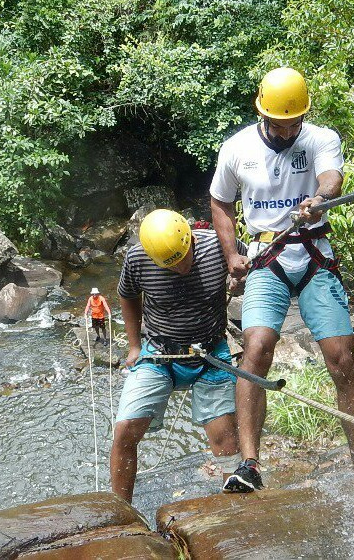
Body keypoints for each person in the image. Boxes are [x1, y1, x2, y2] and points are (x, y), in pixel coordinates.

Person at [210, 66, 354, 493]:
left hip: (314, 254)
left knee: (342, 358)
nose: (289, 130)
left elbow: (331, 176)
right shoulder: (237, 148)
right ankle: (249, 464)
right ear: (263, 114)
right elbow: (221, 202)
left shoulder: (320, 138)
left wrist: (319, 199)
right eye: (281, 124)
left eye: (295, 121)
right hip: (267, 256)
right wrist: (231, 255)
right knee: (257, 351)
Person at [110, 209, 242, 502]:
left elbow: (247, 266)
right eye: (171, 265)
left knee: (225, 437)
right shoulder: (137, 258)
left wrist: (240, 278)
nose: (181, 267)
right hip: (159, 354)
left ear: (191, 238)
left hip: (211, 354)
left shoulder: (218, 244)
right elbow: (127, 295)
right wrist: (134, 345)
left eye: (183, 257)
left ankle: (235, 505)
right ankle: (120, 511)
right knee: (125, 430)